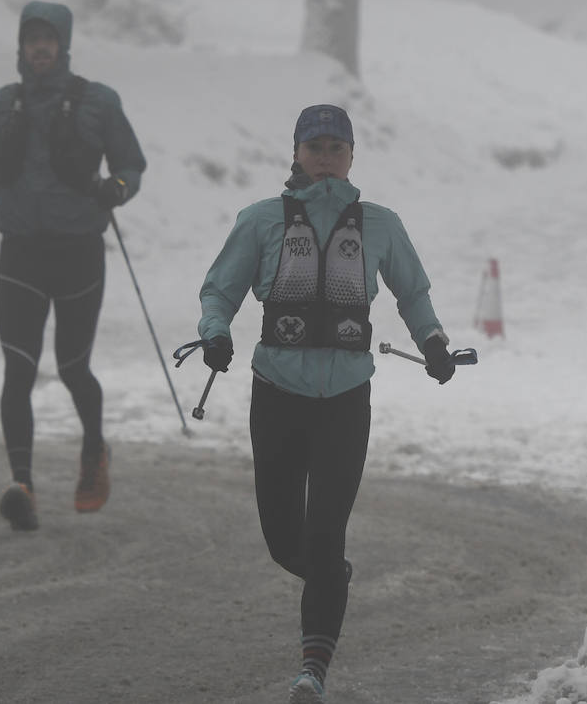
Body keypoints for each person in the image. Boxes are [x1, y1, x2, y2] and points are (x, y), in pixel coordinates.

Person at [195, 104, 457, 704]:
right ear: (295, 154)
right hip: (277, 394)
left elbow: (413, 293)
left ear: (352, 156)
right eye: (315, 148)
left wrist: (435, 343)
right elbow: (221, 288)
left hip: (346, 399)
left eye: (337, 148)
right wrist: (215, 332)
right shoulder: (261, 220)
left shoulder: (380, 225)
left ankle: (312, 670)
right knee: (284, 539)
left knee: (325, 534)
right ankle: (330, 582)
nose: (326, 158)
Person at [0, 0, 146, 532]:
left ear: (64, 44)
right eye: (31, 39)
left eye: (48, 39)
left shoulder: (99, 101)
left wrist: (113, 190)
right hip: (21, 254)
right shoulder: (6, 104)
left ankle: (94, 454)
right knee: (19, 369)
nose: (40, 48)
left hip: (78, 253)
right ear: (20, 47)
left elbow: (130, 164)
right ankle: (22, 485)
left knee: (73, 366)